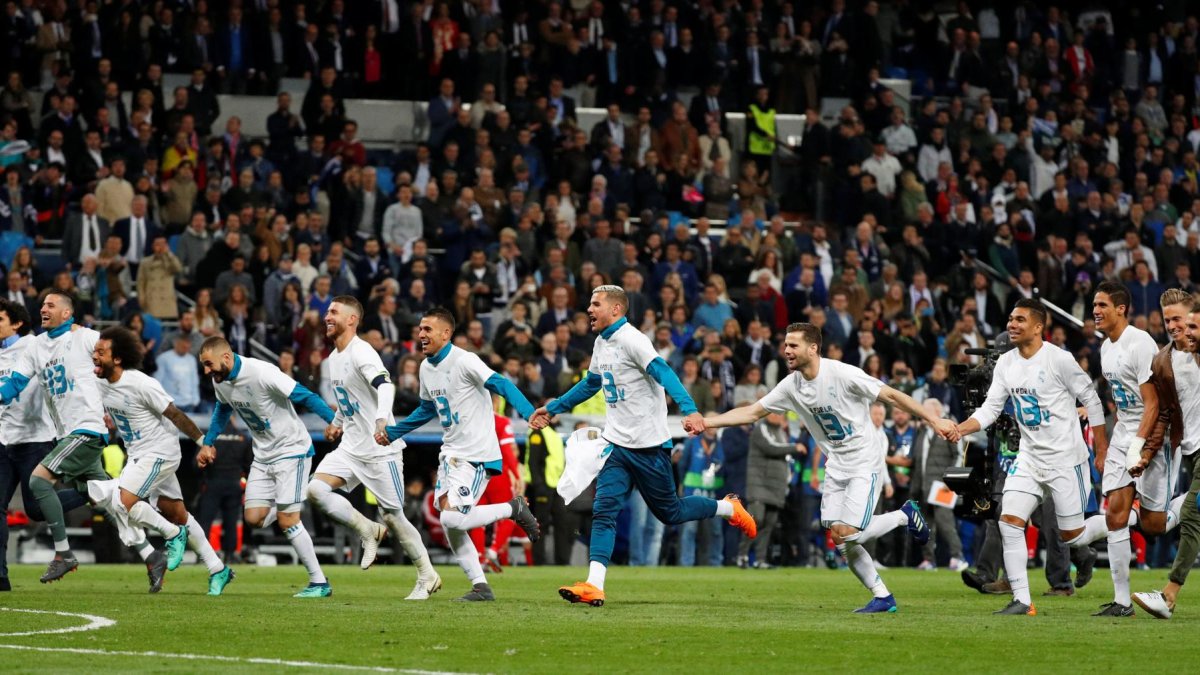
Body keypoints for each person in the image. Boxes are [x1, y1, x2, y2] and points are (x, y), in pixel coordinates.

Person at [698, 323, 958, 613]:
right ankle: (882, 596)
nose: (786, 350)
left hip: (863, 460)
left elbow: (893, 396)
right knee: (839, 537)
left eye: (793, 345)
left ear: (813, 348)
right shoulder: (790, 385)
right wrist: (707, 422)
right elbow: (752, 412)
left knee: (849, 532)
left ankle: (903, 516)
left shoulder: (843, 374)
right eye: (785, 345)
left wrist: (934, 420)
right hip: (835, 464)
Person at [531, 285, 757, 607]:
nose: (589, 309)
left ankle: (728, 508)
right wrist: (554, 407)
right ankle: (594, 585)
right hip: (618, 445)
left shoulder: (633, 340)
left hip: (649, 446)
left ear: (616, 310)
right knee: (604, 510)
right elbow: (592, 383)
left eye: (596, 304)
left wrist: (690, 410)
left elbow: (664, 371)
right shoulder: (601, 342)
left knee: (671, 512)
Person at [955, 299, 1110, 616]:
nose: (1012, 324)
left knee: (1073, 536)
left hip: (1066, 460)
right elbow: (990, 409)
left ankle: (1121, 521)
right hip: (1029, 458)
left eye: (1020, 319)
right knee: (1009, 521)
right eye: (1011, 318)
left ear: (1039, 327)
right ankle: (1022, 601)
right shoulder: (1006, 363)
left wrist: (1102, 450)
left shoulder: (1059, 360)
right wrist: (961, 429)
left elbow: (1092, 401)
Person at [380, 308, 541, 602]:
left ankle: (512, 509)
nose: (421, 334)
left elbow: (501, 384)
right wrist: (394, 432)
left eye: (428, 329)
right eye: (420, 329)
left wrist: (529, 412)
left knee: (454, 519)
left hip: (477, 454)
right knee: (448, 520)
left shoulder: (465, 360)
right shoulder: (426, 368)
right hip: (450, 455)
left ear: (446, 333)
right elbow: (427, 410)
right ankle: (481, 586)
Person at [305, 296, 440, 601]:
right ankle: (367, 529)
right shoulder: (334, 358)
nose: (327, 316)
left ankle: (427, 574)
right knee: (315, 490)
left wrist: (382, 420)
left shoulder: (362, 351)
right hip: (351, 446)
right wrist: (337, 421)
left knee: (393, 516)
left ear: (352, 319)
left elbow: (385, 385)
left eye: (334, 312)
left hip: (381, 449)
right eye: (328, 312)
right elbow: (348, 398)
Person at [91, 327, 233, 595]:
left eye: (101, 352)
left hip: (159, 451)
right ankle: (218, 569)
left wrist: (203, 442)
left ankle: (170, 535)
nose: (95, 356)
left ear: (118, 358)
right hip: (138, 454)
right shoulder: (99, 383)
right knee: (178, 514)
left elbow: (174, 414)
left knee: (122, 502)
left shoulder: (141, 383)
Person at [197, 336, 336, 598]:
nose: (206, 371)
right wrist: (208, 442)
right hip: (262, 455)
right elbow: (222, 410)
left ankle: (319, 582)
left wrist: (333, 420)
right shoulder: (222, 381)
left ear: (226, 357)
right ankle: (296, 496)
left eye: (208, 364)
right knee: (254, 519)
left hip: (291, 449)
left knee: (287, 520)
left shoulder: (261, 372)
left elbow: (304, 395)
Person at [0, 292, 112, 583]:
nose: (44, 309)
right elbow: (13, 386)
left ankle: (65, 550)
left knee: (38, 496)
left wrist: (114, 404)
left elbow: (112, 363)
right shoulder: (36, 345)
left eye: (50, 305)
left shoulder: (79, 339)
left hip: (51, 435)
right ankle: (159, 544)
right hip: (12, 439)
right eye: (43, 306)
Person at [1089, 280, 1179, 616]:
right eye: (1094, 306)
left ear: (1121, 309)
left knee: (1154, 526)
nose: (1095, 311)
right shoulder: (1106, 348)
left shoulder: (1139, 343)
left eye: (1102, 306)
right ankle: (1122, 601)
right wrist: (1113, 444)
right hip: (1124, 431)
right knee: (1115, 514)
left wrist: (1140, 447)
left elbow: (1152, 404)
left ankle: (1186, 504)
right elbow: (1120, 402)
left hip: (1151, 432)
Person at [1134, 295, 1200, 619]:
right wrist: (1146, 453)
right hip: (1189, 447)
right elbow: (1163, 414)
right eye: (1168, 320)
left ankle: (1169, 596)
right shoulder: (1162, 361)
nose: (1174, 326)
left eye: (1181, 320)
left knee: (1191, 516)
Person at [470, 411, 524, 571]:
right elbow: (507, 450)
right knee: (510, 513)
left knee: (475, 518)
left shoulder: (472, 417)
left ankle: (479, 558)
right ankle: (493, 552)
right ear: (495, 402)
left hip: (475, 474)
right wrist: (516, 474)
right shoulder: (501, 421)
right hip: (497, 473)